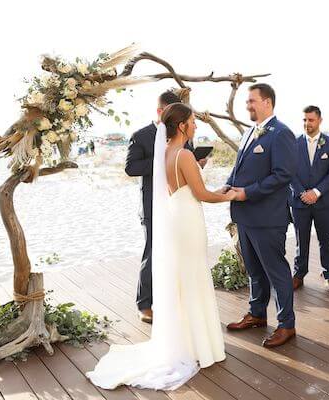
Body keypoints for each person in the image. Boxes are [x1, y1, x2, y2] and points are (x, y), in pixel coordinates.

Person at [87, 103, 235, 390]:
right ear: (182, 126)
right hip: (189, 221)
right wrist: (232, 197)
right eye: (193, 122)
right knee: (194, 278)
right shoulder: (185, 155)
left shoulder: (164, 153)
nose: (196, 126)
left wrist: (214, 192)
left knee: (185, 279)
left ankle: (189, 341)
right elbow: (202, 194)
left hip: (177, 219)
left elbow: (189, 191)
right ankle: (199, 345)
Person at [223, 83, 298, 348]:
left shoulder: (281, 134)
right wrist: (228, 185)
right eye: (247, 101)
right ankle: (256, 314)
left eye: (252, 101)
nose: (247, 105)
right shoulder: (248, 133)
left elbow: (282, 176)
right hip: (245, 217)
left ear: (267, 102)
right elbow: (238, 168)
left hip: (268, 218)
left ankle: (286, 325)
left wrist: (247, 193)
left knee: (276, 272)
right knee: (254, 271)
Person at [125, 90, 204, 323]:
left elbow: (183, 163)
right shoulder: (141, 136)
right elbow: (131, 168)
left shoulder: (182, 136)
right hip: (152, 205)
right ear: (160, 111)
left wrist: (196, 162)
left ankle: (172, 299)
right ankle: (144, 304)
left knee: (177, 252)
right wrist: (162, 159)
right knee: (152, 253)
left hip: (179, 204)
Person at [290, 106, 329, 294]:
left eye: (310, 120)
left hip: (325, 202)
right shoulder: (293, 143)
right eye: (304, 120)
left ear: (320, 120)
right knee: (300, 241)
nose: (307, 123)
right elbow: (289, 172)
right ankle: (298, 274)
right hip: (300, 201)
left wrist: (317, 192)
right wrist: (302, 193)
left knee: (326, 241)